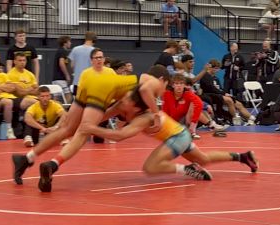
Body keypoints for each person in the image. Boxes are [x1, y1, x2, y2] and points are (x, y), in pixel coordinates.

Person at [11, 49, 169, 188]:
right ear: (163, 80)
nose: (163, 92)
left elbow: (118, 107)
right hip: (102, 89)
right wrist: (156, 114)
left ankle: (27, 158)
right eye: (166, 87)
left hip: (92, 86)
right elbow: (146, 91)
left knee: (67, 129)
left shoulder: (135, 88)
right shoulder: (154, 82)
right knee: (82, 132)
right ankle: (53, 164)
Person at [81, 88, 259, 181]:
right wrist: (84, 123)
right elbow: (107, 113)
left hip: (177, 137)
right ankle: (243, 157)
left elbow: (120, 136)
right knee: (204, 159)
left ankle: (187, 169)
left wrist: (91, 128)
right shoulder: (129, 107)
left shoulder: (144, 117)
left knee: (150, 167)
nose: (122, 104)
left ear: (135, 106)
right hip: (179, 134)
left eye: (126, 101)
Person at [200, 59, 256, 126]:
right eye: (215, 68)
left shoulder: (215, 78)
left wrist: (226, 93)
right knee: (229, 100)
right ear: (210, 67)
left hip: (218, 94)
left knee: (238, 103)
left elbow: (220, 89)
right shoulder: (205, 76)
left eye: (218, 69)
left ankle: (251, 118)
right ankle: (235, 119)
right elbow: (211, 89)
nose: (217, 71)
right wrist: (224, 94)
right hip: (210, 95)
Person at [68, 31, 96, 95]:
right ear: (94, 40)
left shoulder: (75, 49)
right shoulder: (95, 51)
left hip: (77, 82)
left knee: (77, 103)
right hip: (90, 82)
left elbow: (72, 65)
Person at [52, 36, 72, 103]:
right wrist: (67, 75)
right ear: (65, 43)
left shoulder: (60, 51)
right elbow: (61, 63)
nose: (70, 43)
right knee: (68, 96)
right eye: (69, 41)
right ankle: (64, 111)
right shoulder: (62, 51)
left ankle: (55, 111)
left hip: (56, 79)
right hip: (60, 79)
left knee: (56, 98)